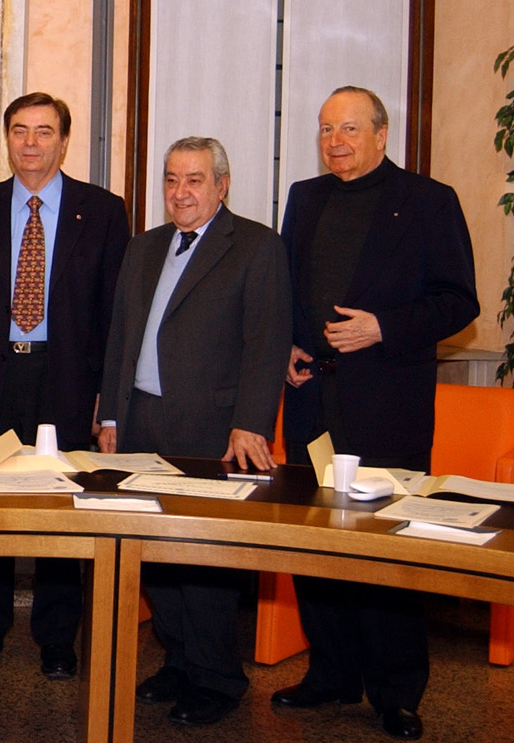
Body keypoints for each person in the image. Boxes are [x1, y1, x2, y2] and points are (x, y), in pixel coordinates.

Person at [272, 86, 478, 741]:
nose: (335, 141)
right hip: (313, 404)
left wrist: (383, 327)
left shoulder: (429, 201)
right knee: (315, 543)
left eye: (350, 129)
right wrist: (289, 345)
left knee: (388, 550)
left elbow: (459, 301)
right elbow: (287, 290)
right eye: (326, 129)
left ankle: (396, 692)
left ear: (382, 135)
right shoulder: (305, 197)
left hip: (387, 407)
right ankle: (330, 673)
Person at [101, 136, 291, 726]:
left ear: (221, 185)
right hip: (141, 423)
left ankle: (218, 678)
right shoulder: (143, 246)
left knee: (204, 559)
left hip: (212, 429)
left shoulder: (256, 246)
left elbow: (267, 342)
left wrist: (251, 424)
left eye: (194, 180)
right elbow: (120, 336)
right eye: (171, 179)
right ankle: (179, 661)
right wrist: (110, 415)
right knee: (156, 556)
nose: (180, 192)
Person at [0, 91, 129, 676]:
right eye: (20, 130)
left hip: (66, 379)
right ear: (7, 139)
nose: (30, 143)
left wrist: (107, 397)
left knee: (61, 507)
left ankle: (57, 637)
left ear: (64, 142)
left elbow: (115, 315)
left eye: (44, 131)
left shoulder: (103, 211)